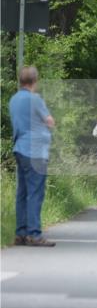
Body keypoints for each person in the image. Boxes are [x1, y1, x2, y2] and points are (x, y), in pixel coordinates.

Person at [9, 66, 56, 246]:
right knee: (35, 193)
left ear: (20, 80)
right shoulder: (35, 99)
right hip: (35, 151)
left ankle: (20, 233)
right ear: (35, 81)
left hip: (20, 148)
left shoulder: (14, 99)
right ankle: (35, 234)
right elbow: (49, 121)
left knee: (22, 192)